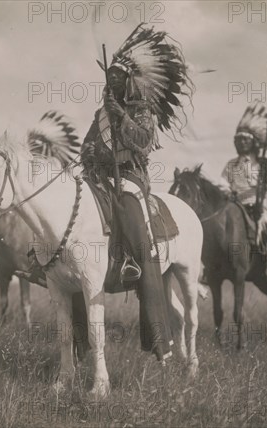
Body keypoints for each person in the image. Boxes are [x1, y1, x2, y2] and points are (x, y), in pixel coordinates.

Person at [81, 23, 194, 361]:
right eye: (109, 78)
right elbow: (87, 145)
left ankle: (135, 264)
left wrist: (123, 120)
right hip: (100, 178)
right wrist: (90, 157)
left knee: (131, 216)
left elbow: (143, 144)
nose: (111, 83)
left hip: (130, 178)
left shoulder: (140, 110)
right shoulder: (101, 113)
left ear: (128, 81)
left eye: (118, 78)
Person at [221, 101, 267, 279]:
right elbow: (223, 183)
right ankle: (213, 266)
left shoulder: (264, 164)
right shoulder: (231, 164)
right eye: (238, 140)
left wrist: (264, 201)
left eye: (245, 140)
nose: (241, 143)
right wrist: (228, 192)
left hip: (259, 207)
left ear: (252, 142)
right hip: (235, 206)